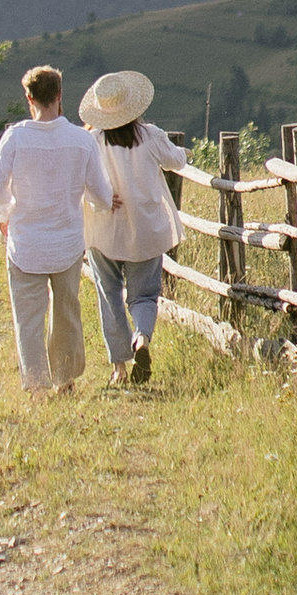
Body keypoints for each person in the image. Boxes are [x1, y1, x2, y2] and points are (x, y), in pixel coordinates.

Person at [0, 62, 112, 394]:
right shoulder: (81, 141)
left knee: (28, 319)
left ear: (29, 96)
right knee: (66, 312)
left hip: (26, 243)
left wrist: (3, 216)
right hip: (67, 243)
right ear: (59, 94)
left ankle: (37, 386)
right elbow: (100, 193)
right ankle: (65, 379)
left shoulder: (16, 138)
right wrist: (106, 204)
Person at [78, 68, 185, 385]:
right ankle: (142, 338)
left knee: (108, 294)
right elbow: (176, 161)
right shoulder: (150, 136)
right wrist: (184, 151)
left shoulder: (91, 142)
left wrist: (99, 198)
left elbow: (77, 180)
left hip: (104, 232)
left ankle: (120, 369)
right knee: (143, 296)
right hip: (145, 231)